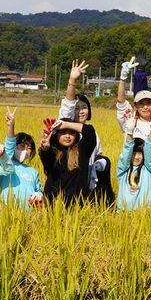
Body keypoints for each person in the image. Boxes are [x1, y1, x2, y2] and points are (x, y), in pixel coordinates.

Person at [58, 59, 113, 203]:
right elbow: (67, 105)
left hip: (86, 184)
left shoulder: (92, 133)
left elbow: (97, 154)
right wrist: (72, 81)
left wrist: (101, 162)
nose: (80, 111)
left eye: (84, 107)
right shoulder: (66, 128)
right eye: (77, 108)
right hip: (67, 184)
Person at [39, 118, 99, 206]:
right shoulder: (52, 153)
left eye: (72, 132)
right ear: (56, 135)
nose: (68, 136)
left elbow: (89, 132)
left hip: (77, 206)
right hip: (52, 206)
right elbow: (46, 156)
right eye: (63, 132)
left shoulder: (82, 151)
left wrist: (66, 124)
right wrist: (45, 148)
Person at [0, 107, 43, 209]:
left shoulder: (33, 171)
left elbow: (38, 190)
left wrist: (39, 195)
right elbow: (9, 146)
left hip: (30, 214)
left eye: (29, 148)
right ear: (15, 146)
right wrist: (11, 126)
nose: (26, 151)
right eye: (22, 146)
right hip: (8, 212)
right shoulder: (7, 164)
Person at [116, 109, 151, 210]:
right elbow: (126, 155)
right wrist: (129, 134)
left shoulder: (149, 170)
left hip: (144, 214)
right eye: (133, 154)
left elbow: (149, 154)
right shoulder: (123, 171)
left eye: (140, 154)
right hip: (123, 213)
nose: (136, 157)